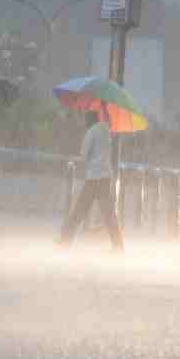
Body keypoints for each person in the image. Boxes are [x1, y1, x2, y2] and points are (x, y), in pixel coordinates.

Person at [56, 108, 125, 252]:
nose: (83, 122)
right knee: (109, 214)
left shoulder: (91, 132)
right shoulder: (106, 129)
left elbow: (84, 156)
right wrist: (105, 106)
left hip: (94, 177)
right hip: (106, 176)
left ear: (89, 120)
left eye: (85, 120)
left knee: (78, 211)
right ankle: (118, 245)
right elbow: (108, 121)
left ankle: (64, 242)